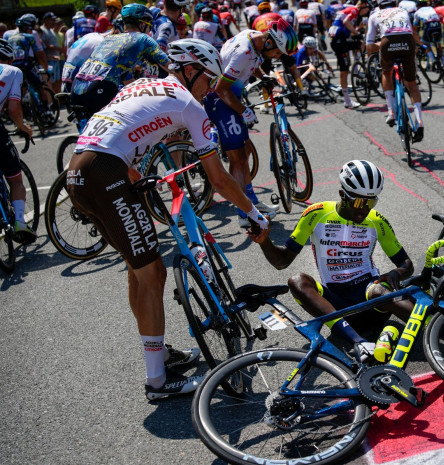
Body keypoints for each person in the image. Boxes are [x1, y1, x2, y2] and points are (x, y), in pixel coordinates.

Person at [66, 38, 270, 399]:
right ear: (190, 71)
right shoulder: (190, 104)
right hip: (104, 172)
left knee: (138, 269)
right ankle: (157, 382)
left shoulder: (141, 85)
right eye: (208, 80)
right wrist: (253, 214)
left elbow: (118, 134)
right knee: (154, 274)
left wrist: (132, 183)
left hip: (79, 170)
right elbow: (219, 179)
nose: (210, 90)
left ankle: (158, 354)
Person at [249, 159, 414, 361]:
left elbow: (406, 263)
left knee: (380, 289)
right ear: (342, 194)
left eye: (371, 202)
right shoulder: (316, 214)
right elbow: (282, 262)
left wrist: (397, 273)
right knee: (297, 280)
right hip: (335, 305)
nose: (364, 209)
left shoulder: (377, 221)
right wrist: (265, 242)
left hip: (371, 298)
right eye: (359, 202)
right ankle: (359, 343)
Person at [205, 21, 298, 228]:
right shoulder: (244, 52)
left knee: (245, 151)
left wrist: (263, 76)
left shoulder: (253, 37)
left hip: (231, 98)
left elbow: (253, 64)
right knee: (237, 157)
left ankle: (251, 202)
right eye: (276, 53)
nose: (276, 57)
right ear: (268, 42)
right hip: (221, 101)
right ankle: (243, 212)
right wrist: (244, 111)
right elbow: (222, 89)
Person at [70, 4, 170, 117]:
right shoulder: (143, 38)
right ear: (143, 23)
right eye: (149, 23)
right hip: (99, 91)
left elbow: (127, 80)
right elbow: (170, 66)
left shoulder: (109, 39)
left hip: (76, 91)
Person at [365, 0, 425, 142]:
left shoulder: (374, 15)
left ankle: (391, 111)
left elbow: (369, 47)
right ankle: (419, 121)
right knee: (412, 84)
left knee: (387, 72)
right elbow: (410, 32)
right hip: (407, 42)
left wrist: (380, 44)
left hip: (388, 43)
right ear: (394, 3)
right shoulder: (402, 11)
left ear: (379, 5)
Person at [0, 39, 35, 244]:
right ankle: (20, 222)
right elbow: (14, 109)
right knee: (15, 179)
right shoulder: (13, 71)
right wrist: (23, 127)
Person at [329, 3, 363, 108]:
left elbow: (348, 30)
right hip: (340, 43)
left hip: (339, 41)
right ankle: (347, 101)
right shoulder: (354, 10)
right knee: (344, 72)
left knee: (358, 43)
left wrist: (357, 31)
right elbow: (345, 22)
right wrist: (357, 33)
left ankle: (357, 68)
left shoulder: (347, 10)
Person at [40, 12, 65, 94]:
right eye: (52, 20)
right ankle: (53, 100)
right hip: (50, 59)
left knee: (58, 80)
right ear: (46, 20)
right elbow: (44, 45)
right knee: (51, 80)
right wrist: (59, 49)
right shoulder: (42, 30)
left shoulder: (51, 30)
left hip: (56, 59)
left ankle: (58, 99)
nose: (54, 22)